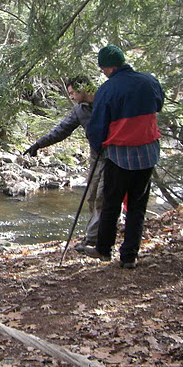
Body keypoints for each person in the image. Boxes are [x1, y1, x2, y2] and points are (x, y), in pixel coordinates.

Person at [82, 44, 164, 269]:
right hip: (148, 153)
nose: (102, 73)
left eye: (102, 69)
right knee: (137, 206)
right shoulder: (149, 81)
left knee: (111, 203)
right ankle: (129, 256)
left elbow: (98, 126)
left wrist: (97, 146)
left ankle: (104, 249)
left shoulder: (108, 90)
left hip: (120, 156)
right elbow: (159, 104)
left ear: (108, 67)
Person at [24, 76, 105, 252]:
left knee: (102, 196)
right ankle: (97, 233)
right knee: (91, 195)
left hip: (114, 153)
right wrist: (38, 144)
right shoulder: (79, 110)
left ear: (83, 89)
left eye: (72, 93)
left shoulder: (106, 99)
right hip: (95, 154)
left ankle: (95, 238)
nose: (72, 97)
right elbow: (61, 131)